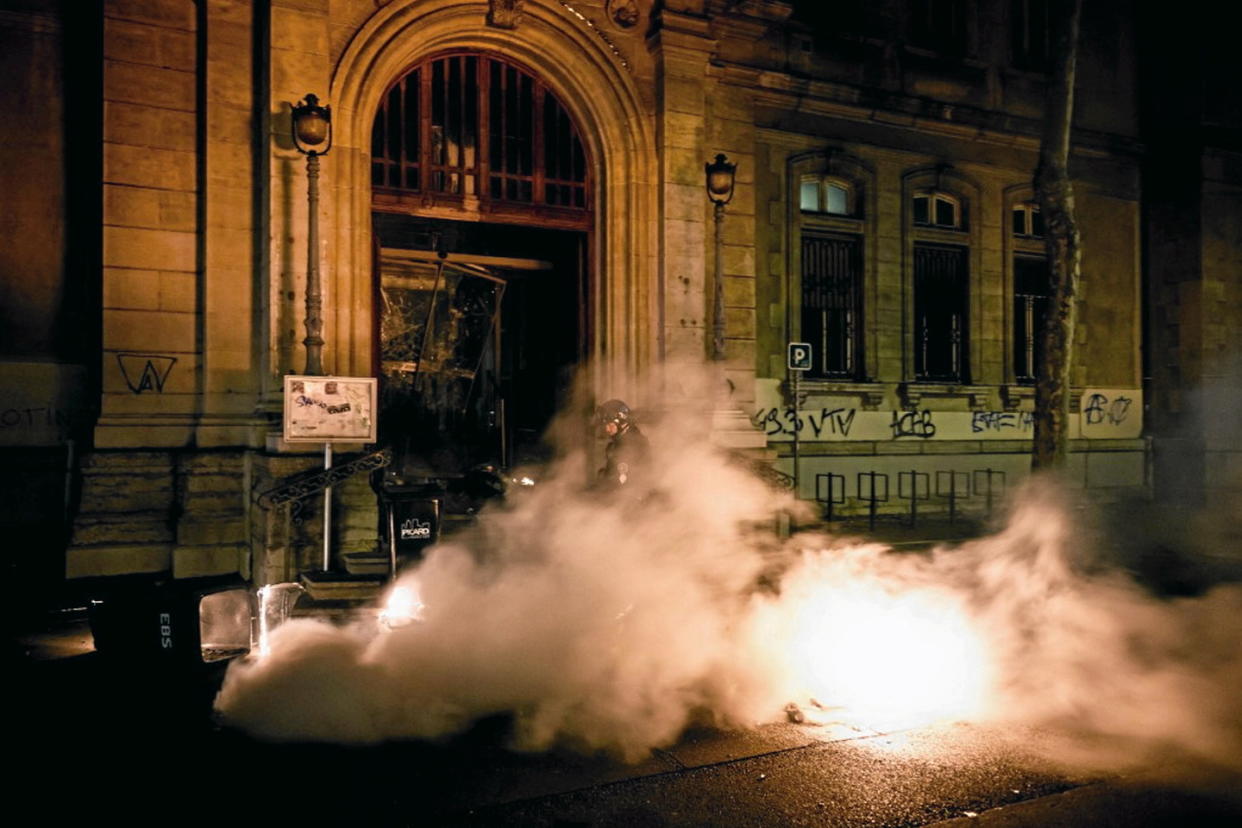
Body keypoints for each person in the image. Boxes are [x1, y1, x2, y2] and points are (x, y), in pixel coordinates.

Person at [594, 398, 650, 493]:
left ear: (621, 422)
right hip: (623, 498)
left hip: (634, 500)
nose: (607, 429)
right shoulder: (617, 443)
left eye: (610, 425)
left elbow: (626, 483)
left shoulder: (634, 443)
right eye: (605, 425)